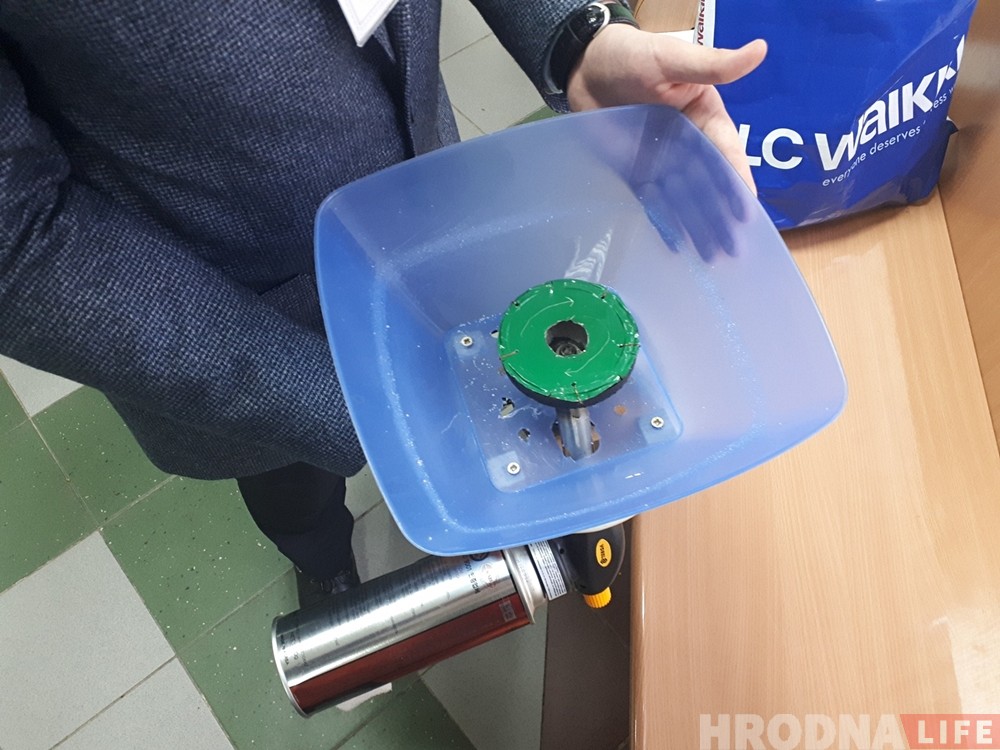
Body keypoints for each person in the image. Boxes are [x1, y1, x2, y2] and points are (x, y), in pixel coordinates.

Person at [0, 1, 765, 607]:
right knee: (295, 489)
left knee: (477, 408)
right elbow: (15, 235)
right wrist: (333, 400)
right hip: (241, 321)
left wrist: (574, 40)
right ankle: (324, 563)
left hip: (434, 207)